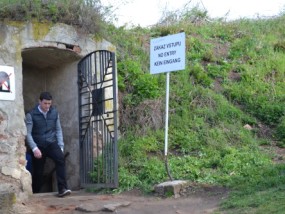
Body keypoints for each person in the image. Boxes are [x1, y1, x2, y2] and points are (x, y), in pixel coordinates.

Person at [25, 91, 71, 197]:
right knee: (38, 172)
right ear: (39, 102)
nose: (47, 106)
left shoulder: (54, 112)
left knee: (60, 159)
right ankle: (34, 193)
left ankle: (62, 189)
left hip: (51, 143)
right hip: (38, 145)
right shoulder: (31, 115)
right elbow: (28, 134)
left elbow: (58, 130)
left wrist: (61, 146)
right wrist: (34, 148)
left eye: (49, 103)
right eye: (45, 103)